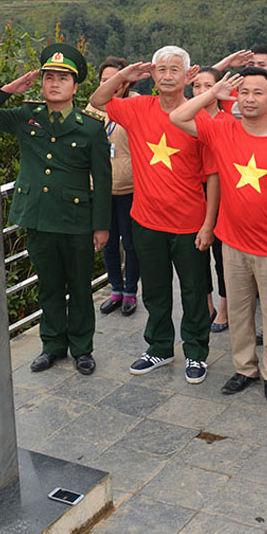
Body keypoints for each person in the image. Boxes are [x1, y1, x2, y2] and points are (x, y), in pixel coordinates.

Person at [170, 68, 267, 404]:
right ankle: (244, 368)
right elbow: (178, 116)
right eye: (244, 92)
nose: (249, 99)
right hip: (231, 241)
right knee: (241, 311)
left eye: (257, 93)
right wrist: (213, 91)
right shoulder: (222, 130)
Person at [89, 47, 215, 384]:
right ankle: (159, 346)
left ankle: (196, 352)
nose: (168, 75)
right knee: (155, 291)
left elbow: (214, 175)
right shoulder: (137, 108)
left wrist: (208, 224)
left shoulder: (200, 118)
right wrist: (123, 77)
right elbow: (98, 100)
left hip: (190, 223)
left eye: (176, 69)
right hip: (146, 220)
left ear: (189, 75)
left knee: (193, 290)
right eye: (161, 69)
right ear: (153, 75)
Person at [0, 44, 111, 375]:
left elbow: (102, 182)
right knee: (48, 285)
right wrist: (7, 91)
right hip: (39, 217)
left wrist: (100, 225)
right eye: (48, 77)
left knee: (78, 286)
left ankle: (82, 348)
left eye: (62, 78)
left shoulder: (89, 126)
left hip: (76, 219)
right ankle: (52, 345)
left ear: (76, 87)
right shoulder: (26, 116)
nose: (54, 84)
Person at [88, 56, 141, 318]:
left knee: (130, 243)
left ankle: (131, 291)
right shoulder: (92, 109)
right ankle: (116, 290)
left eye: (115, 80)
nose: (110, 84)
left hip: (130, 188)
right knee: (107, 243)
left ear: (125, 82)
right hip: (101, 189)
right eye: (104, 80)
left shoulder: (134, 105)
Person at [191, 67, 230, 330]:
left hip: (223, 193)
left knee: (221, 254)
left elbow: (218, 172)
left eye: (209, 86)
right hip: (192, 194)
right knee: (197, 254)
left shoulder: (228, 122)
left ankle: (224, 307)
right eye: (197, 86)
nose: (203, 92)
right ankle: (206, 303)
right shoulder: (187, 119)